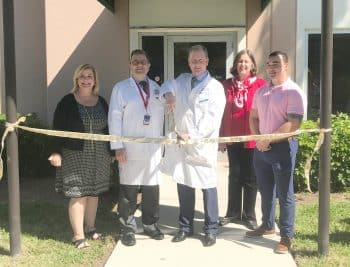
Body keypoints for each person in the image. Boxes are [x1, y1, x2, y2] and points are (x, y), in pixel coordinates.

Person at [163, 45, 226, 247]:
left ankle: (210, 230)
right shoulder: (181, 80)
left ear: (207, 62)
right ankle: (185, 227)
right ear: (189, 62)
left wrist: (193, 135)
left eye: (200, 60)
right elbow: (165, 86)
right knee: (184, 183)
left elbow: (213, 119)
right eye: (193, 61)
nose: (196, 64)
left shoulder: (215, 87)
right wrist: (168, 96)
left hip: (201, 144)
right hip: (182, 143)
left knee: (207, 186)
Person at [246, 51, 306, 254]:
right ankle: (268, 225)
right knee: (265, 190)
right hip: (261, 148)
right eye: (269, 64)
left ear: (286, 66)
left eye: (276, 64)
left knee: (284, 193)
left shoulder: (293, 92)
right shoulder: (261, 91)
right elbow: (253, 117)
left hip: (282, 147)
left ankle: (286, 236)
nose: (271, 67)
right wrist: (258, 139)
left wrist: (267, 139)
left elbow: (293, 124)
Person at [49, 64, 111, 249]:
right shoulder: (67, 102)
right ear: (77, 79)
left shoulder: (101, 101)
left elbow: (109, 129)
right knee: (78, 193)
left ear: (94, 80)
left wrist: (112, 152)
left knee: (93, 192)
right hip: (75, 154)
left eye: (89, 76)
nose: (86, 79)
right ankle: (78, 236)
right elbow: (57, 129)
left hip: (99, 154)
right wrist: (55, 152)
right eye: (82, 76)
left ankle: (91, 227)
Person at [108, 49, 165, 246]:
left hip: (153, 149)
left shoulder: (157, 89)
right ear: (130, 65)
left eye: (143, 61)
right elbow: (114, 118)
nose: (139, 65)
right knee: (128, 190)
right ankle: (128, 228)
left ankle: (150, 224)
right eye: (135, 62)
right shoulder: (120, 88)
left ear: (149, 66)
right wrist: (117, 146)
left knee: (151, 189)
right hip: (129, 149)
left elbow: (163, 118)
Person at [218, 49, 266, 230]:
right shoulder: (226, 85)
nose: (243, 65)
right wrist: (222, 137)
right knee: (235, 175)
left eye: (246, 61)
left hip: (253, 138)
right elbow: (221, 114)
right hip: (232, 137)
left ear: (252, 65)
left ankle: (249, 215)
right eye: (240, 61)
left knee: (251, 177)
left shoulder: (260, 85)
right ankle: (232, 213)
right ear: (235, 65)